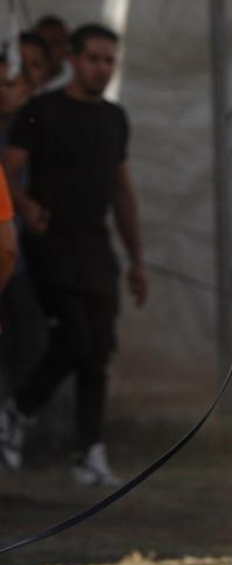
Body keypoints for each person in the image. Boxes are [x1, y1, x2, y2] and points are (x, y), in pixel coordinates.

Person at [0, 24, 146, 486]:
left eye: (109, 60)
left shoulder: (115, 119)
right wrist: (25, 208)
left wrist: (136, 260)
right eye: (94, 58)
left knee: (97, 352)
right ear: (74, 60)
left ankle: (89, 453)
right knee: (76, 339)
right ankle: (18, 410)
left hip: (95, 248)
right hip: (49, 246)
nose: (102, 68)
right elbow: (8, 170)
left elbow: (122, 192)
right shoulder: (42, 111)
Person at [33, 16, 72, 93]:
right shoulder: (17, 79)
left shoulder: (76, 85)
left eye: (55, 43)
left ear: (66, 48)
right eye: (43, 42)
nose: (49, 49)